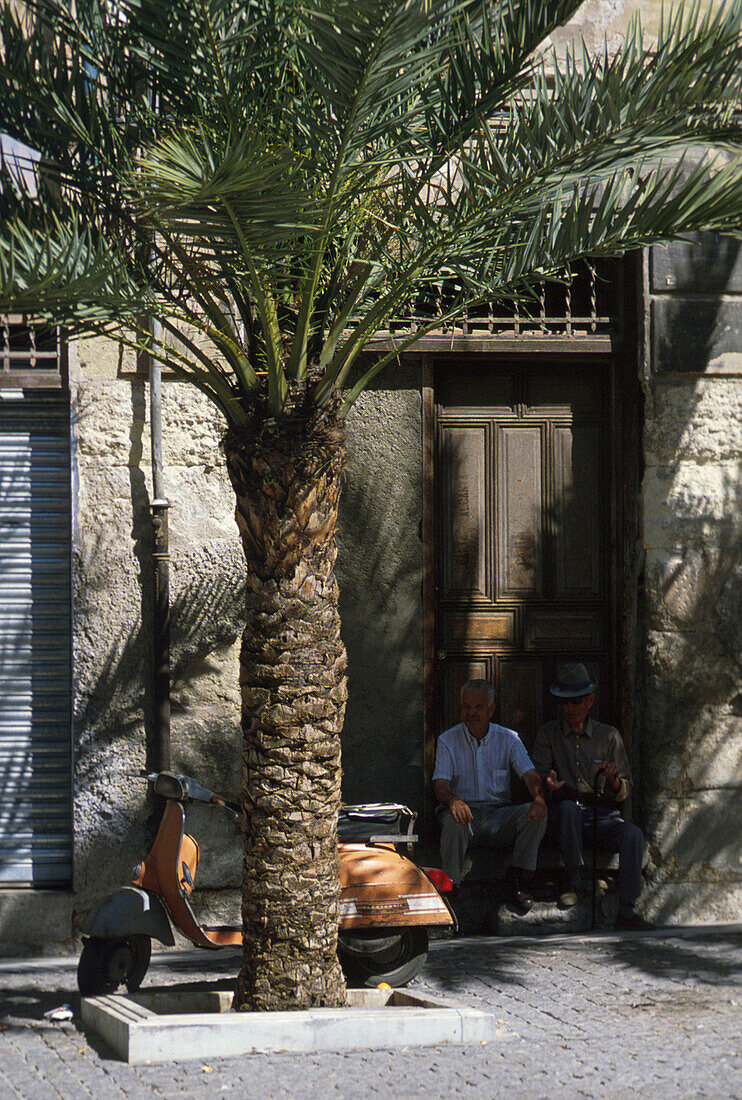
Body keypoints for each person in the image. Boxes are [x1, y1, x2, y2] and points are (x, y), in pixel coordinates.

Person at [531, 662, 651, 931]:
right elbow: (536, 776)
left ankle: (627, 908)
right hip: (565, 814)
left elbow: (624, 789)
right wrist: (547, 783)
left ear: (589, 701)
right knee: (569, 809)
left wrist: (613, 781)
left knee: (632, 834)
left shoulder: (608, 736)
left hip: (601, 814)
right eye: (564, 703)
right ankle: (573, 879)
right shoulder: (549, 734)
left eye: (576, 702)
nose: (570, 709)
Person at [432, 679, 547, 912]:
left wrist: (539, 799)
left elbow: (530, 775)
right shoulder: (448, 740)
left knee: (535, 815)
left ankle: (517, 881)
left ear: (491, 709)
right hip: (466, 815)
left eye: (478, 707)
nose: (471, 713)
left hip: (498, 817)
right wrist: (453, 800)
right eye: (466, 707)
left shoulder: (509, 738)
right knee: (454, 821)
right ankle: (450, 893)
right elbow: (440, 785)